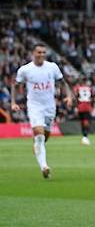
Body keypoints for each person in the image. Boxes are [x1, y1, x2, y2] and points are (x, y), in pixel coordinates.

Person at [11, 43, 73, 178]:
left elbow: (63, 82)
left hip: (50, 107)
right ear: (33, 53)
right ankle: (44, 167)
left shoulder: (52, 67)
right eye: (39, 52)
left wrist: (68, 96)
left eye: (44, 52)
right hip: (34, 107)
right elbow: (16, 85)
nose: (42, 55)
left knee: (45, 136)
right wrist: (13, 102)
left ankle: (38, 147)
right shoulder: (25, 70)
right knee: (39, 134)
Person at [73, 79, 93, 145]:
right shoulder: (89, 88)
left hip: (81, 105)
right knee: (86, 121)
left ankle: (84, 136)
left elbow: (76, 97)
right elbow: (92, 97)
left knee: (82, 121)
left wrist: (76, 106)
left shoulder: (78, 88)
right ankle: (85, 136)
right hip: (87, 105)